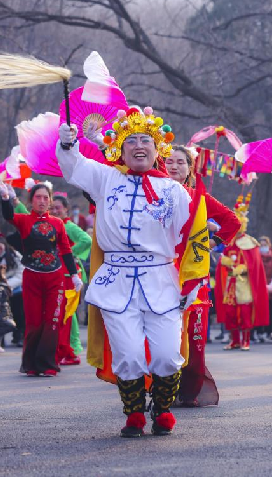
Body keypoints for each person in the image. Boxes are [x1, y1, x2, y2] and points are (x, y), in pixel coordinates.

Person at [57, 106, 197, 437]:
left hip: (162, 282)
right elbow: (74, 166)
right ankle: (134, 413)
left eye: (145, 140)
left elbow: (192, 236)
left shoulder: (174, 191)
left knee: (166, 353)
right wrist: (67, 144)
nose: (138, 145)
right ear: (121, 149)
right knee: (129, 354)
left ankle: (161, 410)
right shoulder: (106, 178)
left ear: (157, 148)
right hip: (116, 281)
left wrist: (193, 279)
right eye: (131, 140)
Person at [165, 144, 240, 407]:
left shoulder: (201, 199)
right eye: (168, 161)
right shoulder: (149, 197)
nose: (174, 166)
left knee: (194, 336)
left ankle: (189, 391)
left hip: (195, 277)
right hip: (160, 275)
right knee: (163, 335)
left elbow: (233, 222)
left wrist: (211, 240)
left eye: (180, 162)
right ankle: (162, 389)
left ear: (189, 168)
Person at [0, 180, 81, 376]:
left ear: (50, 201)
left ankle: (49, 364)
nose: (42, 201)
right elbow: (8, 215)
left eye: (45, 197)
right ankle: (31, 364)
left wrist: (74, 276)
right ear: (31, 200)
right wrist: (5, 197)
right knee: (34, 321)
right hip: (32, 276)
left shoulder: (57, 223)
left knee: (53, 319)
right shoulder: (24, 220)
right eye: (38, 197)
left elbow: (66, 250)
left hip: (55, 278)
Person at [214, 195, 269, 351]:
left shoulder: (250, 242)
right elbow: (223, 259)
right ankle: (234, 340)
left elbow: (254, 264)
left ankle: (246, 340)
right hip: (231, 283)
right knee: (230, 312)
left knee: (245, 312)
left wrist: (243, 267)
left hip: (245, 283)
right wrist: (224, 262)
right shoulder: (228, 242)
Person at [50, 194, 92, 365]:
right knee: (60, 312)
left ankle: (72, 349)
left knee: (68, 312)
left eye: (57, 208)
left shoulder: (68, 225)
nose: (54, 210)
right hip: (57, 271)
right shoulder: (51, 225)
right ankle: (63, 347)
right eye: (52, 208)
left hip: (69, 274)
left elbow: (86, 240)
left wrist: (69, 254)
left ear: (66, 209)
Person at [0, 236, 25, 346]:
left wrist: (7, 285)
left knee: (18, 312)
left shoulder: (15, 256)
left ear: (5, 246)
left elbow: (20, 274)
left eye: (0, 247)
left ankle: (19, 335)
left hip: (15, 287)